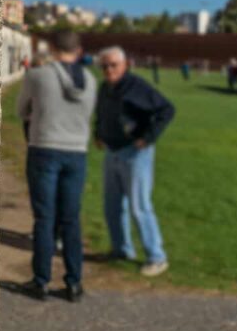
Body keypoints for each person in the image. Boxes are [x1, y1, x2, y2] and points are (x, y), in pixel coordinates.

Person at [16, 31, 97, 302]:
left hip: (45, 148)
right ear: (79, 50)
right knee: (71, 219)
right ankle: (74, 283)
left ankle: (41, 281)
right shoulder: (90, 81)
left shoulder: (38, 76)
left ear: (51, 47)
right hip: (76, 153)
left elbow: (21, 109)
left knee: (45, 218)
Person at [95, 46, 175, 277]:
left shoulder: (136, 86)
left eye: (113, 65)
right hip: (112, 151)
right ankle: (121, 249)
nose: (109, 70)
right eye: (104, 66)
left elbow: (166, 110)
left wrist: (148, 137)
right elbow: (102, 113)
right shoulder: (105, 88)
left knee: (139, 207)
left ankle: (157, 257)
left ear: (125, 65)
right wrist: (98, 134)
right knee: (112, 205)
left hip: (134, 153)